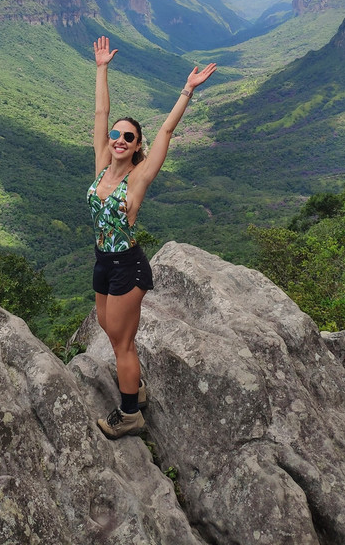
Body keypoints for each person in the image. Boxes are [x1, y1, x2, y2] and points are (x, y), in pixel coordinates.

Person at [89, 35, 217, 438]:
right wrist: (102, 68)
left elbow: (165, 131)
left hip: (128, 266)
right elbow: (100, 112)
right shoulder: (101, 165)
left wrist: (187, 91)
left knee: (123, 342)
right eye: (116, 135)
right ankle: (136, 387)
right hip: (103, 263)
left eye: (129, 137)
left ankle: (130, 414)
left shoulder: (137, 178)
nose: (119, 139)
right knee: (110, 331)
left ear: (136, 146)